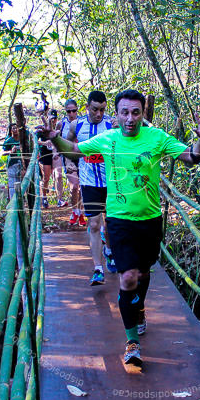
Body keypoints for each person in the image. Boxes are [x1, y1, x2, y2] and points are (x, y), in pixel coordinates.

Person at [37, 89, 200, 373]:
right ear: (115, 115)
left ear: (142, 114)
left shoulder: (156, 138)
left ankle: (139, 308)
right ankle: (132, 342)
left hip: (150, 220)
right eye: (124, 112)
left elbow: (192, 158)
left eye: (135, 112)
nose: (130, 118)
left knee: (143, 274)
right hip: (119, 221)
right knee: (128, 276)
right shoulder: (108, 139)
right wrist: (53, 136)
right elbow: (74, 151)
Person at [65, 90, 117, 284]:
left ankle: (109, 250)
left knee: (110, 223)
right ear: (86, 107)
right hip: (89, 182)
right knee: (94, 224)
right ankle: (98, 269)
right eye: (95, 109)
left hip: (111, 182)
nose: (99, 114)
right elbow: (67, 143)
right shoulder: (76, 125)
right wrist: (70, 161)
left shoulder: (111, 125)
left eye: (103, 110)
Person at [59, 99, 84, 222]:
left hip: (82, 157)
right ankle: (75, 211)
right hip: (68, 158)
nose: (71, 113)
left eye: (74, 111)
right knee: (74, 186)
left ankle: (80, 212)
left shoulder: (82, 122)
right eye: (68, 111)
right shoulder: (61, 124)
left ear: (77, 110)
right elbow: (56, 140)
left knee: (82, 187)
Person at [2, 123, 23, 200]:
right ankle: (13, 202)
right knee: (12, 185)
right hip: (12, 164)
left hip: (22, 164)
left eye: (17, 128)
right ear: (11, 131)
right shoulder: (9, 140)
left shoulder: (23, 139)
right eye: (13, 128)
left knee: (22, 183)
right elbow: (3, 152)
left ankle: (21, 200)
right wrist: (11, 151)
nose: (15, 130)